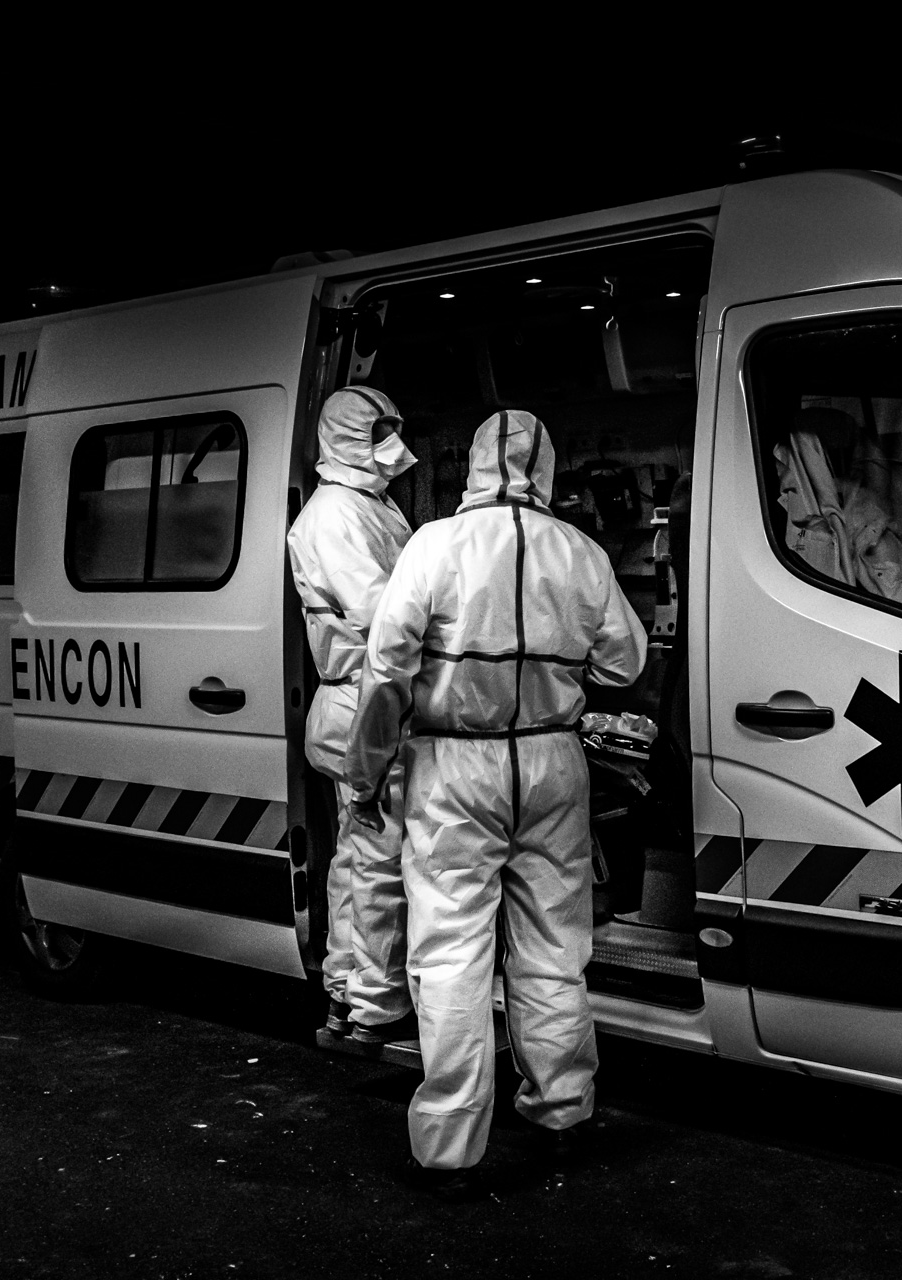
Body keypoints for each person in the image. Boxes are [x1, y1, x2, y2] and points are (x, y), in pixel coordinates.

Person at [345, 408, 645, 1194]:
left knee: (451, 955)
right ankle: (563, 1114)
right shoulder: (580, 551)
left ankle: (450, 1150)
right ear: (546, 468)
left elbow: (385, 671)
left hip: (452, 764)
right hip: (552, 761)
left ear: (476, 464)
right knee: (554, 948)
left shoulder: (433, 546)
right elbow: (625, 664)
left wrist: (366, 774)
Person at [285, 386, 419, 1046]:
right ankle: (370, 1004)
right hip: (362, 702)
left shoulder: (373, 503)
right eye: (378, 432)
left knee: (362, 858)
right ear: (344, 438)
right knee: (377, 861)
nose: (392, 444)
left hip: (376, 700)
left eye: (394, 428)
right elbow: (385, 612)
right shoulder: (335, 514)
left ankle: (349, 989)